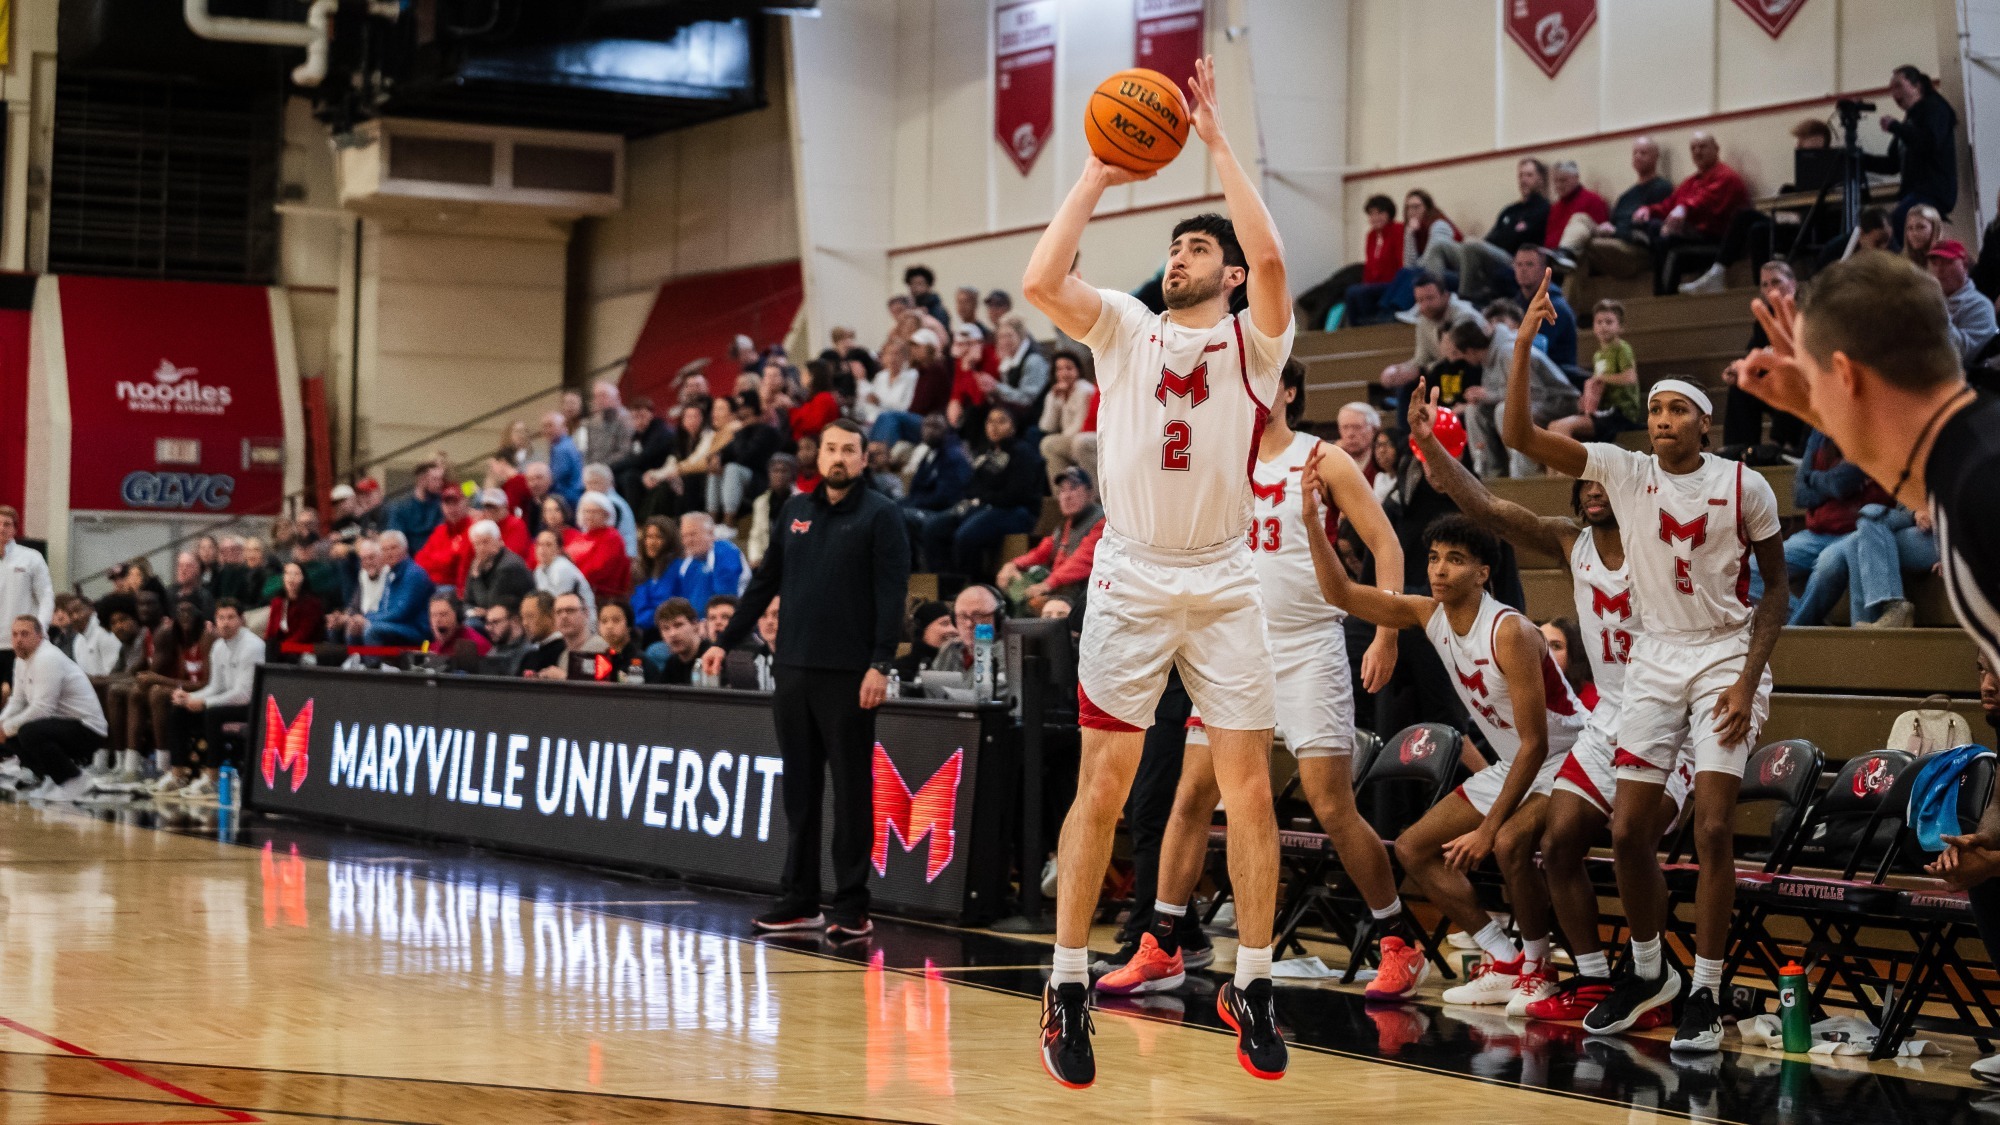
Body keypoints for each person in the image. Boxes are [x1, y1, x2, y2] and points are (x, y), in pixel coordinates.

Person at [1019, 56, 1290, 1086]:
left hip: (1222, 577)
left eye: (1194, 247)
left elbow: (1266, 259)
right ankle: (1066, 981)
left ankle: (1252, 980)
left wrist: (1217, 145)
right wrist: (1094, 172)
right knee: (1104, 783)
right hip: (1131, 576)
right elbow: (1042, 280)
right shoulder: (1123, 329)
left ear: (1219, 277)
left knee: (1247, 791)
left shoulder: (1251, 344)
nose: (1177, 256)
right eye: (1171, 246)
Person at [1505, 269, 1786, 1052]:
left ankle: (1706, 986)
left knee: (1716, 828)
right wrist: (1524, 344)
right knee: (1628, 831)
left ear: (1702, 423)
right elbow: (1523, 438)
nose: (1660, 419)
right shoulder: (1623, 472)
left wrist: (1744, 675)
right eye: (1654, 408)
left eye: (1675, 410)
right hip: (1657, 659)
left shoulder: (1746, 486)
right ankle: (1650, 969)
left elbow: (1779, 591)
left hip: (1727, 652)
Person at [1101, 358, 1418, 1002]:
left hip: (1307, 644)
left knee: (1332, 804)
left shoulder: (1322, 459)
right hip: (1232, 643)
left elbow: (1387, 547)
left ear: (1290, 391)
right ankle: (1161, 943)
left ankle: (1397, 937)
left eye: (1265, 377)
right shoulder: (1220, 455)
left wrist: (1385, 630)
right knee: (1190, 797)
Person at [1407, 379, 1692, 1021]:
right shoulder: (1571, 544)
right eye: (1582, 482)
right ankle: (1588, 978)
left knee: (1627, 835)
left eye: (1602, 480)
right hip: (1608, 721)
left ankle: (1660, 976)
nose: (1592, 488)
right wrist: (1430, 448)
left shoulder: (1662, 539)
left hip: (1671, 711)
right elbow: (1479, 503)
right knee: (1555, 842)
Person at [1300, 494, 1582, 1008]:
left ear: (1483, 573)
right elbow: (1341, 592)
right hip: (1516, 763)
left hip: (1567, 763)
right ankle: (1502, 957)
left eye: (1455, 559)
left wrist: (1487, 826)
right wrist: (1313, 526)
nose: (1439, 569)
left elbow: (1537, 743)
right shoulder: (1428, 615)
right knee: (1411, 848)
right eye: (1433, 558)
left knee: (1506, 843)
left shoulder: (1511, 631)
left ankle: (1539, 968)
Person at [699, 418, 910, 942]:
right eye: (830, 449)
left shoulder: (882, 516)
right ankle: (799, 899)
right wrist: (724, 641)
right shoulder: (794, 511)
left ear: (865, 458)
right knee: (800, 790)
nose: (838, 457)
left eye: (849, 450)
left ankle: (853, 906)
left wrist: (880, 663)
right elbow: (765, 581)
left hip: (850, 676)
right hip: (793, 670)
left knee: (852, 792)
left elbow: (891, 596)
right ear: (818, 458)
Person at [1738, 248, 2000, 668]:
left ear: (1846, 376)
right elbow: (1912, 476)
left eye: (1811, 377)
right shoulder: (1969, 447)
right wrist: (1819, 405)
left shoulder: (1984, 489)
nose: (1812, 401)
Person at [915, 405, 1043, 575]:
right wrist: (979, 499)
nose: (994, 426)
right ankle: (947, 583)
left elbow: (1016, 493)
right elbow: (971, 487)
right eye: (990, 421)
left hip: (1016, 511)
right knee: (933, 528)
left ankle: (975, 584)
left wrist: (983, 498)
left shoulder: (1023, 453)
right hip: (985, 506)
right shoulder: (985, 454)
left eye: (1001, 421)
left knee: (966, 535)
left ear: (1013, 426)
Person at [1445, 317, 1578, 479]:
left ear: (1470, 351)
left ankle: (1525, 476)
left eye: (1462, 354)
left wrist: (1488, 394)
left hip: (1558, 402)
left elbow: (1530, 392)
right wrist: (1482, 398)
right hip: (1534, 402)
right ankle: (1489, 475)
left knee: (1505, 410)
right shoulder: (1488, 357)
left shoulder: (1509, 351)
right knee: (1474, 410)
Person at [160, 600, 262, 799]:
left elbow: (244, 694)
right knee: (178, 708)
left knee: (213, 712)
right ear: (215, 620)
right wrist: (190, 697)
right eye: (221, 618)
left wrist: (205, 703)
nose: (225, 623)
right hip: (229, 701)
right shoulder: (218, 646)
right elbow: (216, 687)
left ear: (241, 620)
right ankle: (178, 774)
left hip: (252, 706)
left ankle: (212, 778)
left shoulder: (252, 646)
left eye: (231, 618)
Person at [0, 615, 108, 802]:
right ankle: (51, 778)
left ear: (40, 636)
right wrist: (1, 724)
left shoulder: (47, 658)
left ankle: (74, 779)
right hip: (60, 725)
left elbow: (43, 709)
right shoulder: (21, 660)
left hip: (88, 729)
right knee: (13, 733)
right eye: (15, 634)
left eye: (24, 634)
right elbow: (17, 701)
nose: (18, 639)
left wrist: (6, 728)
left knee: (27, 732)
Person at [1719, 261, 1809, 461]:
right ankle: (1737, 450)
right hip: (1776, 384)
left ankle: (1784, 448)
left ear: (1793, 283)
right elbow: (1753, 354)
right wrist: (1738, 370)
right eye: (1765, 284)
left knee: (1787, 376)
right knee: (1740, 385)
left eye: (1776, 282)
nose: (1770, 289)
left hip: (1805, 384)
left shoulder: (1807, 312)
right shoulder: (1764, 320)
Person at [1641, 132, 1751, 295]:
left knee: (1668, 247)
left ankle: (1664, 302)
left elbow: (1704, 202)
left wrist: (1684, 209)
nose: (1698, 152)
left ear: (1716, 149)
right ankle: (1662, 301)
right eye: (1693, 148)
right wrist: (1649, 210)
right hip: (1697, 238)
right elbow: (1670, 204)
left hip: (1718, 244)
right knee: (1655, 230)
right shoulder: (1691, 182)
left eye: (1702, 147)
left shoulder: (1727, 177)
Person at [1865, 65, 1960, 240]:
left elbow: (1929, 143)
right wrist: (1860, 160)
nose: (1894, 94)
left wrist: (1896, 127)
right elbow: (1892, 164)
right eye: (1891, 89)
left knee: (1897, 224)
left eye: (1899, 86)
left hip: (1932, 192)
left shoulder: (1935, 108)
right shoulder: (1909, 119)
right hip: (1914, 193)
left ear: (1916, 86)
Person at [997, 467, 1103, 612]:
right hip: (1058, 586)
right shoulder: (1066, 524)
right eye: (1062, 491)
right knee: (1012, 579)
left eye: (1073, 488)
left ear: (1090, 493)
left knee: (1029, 597)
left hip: (1084, 591)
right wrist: (1013, 564)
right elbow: (1042, 551)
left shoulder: (1101, 521)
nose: (1066, 496)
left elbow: (1083, 560)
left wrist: (1047, 584)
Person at [1458, 158, 1553, 303]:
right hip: (1495, 254)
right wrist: (1509, 234)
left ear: (1540, 179)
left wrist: (1507, 235)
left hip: (1514, 260)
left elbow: (1518, 240)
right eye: (1520, 175)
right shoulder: (1510, 210)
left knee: (1471, 245)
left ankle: (1464, 299)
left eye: (1529, 175)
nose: (1523, 180)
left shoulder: (1543, 208)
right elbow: (1492, 238)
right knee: (1444, 245)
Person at [1380, 273, 1486, 397]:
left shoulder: (1465, 316)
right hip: (1443, 372)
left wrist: (1420, 370)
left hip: (1472, 372)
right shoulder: (1424, 320)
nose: (1425, 306)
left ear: (1445, 296)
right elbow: (1422, 358)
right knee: (1410, 386)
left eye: (1430, 298)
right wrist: (1402, 370)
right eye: (1420, 300)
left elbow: (1454, 357)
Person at [1552, 299, 1642, 443]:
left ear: (1621, 327)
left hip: (1621, 413)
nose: (1603, 326)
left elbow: (1630, 378)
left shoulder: (1622, 348)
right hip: (1604, 411)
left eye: (1609, 322)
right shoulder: (1598, 355)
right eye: (1599, 322)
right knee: (1554, 426)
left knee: (1562, 427)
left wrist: (1600, 378)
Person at [657, 512, 745, 613]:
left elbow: (725, 598)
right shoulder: (685, 561)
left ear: (711, 534)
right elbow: (669, 597)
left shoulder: (726, 552)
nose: (688, 541)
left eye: (692, 534)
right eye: (684, 536)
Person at [358, 531, 434, 647]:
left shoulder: (414, 574)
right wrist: (362, 619)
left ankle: (373, 665)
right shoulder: (390, 573)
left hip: (417, 630)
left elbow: (402, 613)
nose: (389, 553)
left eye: (393, 548)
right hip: (398, 625)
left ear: (405, 548)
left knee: (372, 630)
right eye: (384, 549)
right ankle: (355, 662)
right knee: (353, 628)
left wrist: (368, 620)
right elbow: (383, 608)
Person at [1927, 241, 1998, 361]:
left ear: (1965, 266)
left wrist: (1935, 312)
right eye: (1935, 264)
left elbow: (1963, 354)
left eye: (1947, 262)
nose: (1939, 270)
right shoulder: (1930, 299)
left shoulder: (1980, 306)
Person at [460, 520, 535, 621]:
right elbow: (467, 601)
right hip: (492, 619)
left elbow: (489, 604)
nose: (481, 548)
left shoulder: (508, 565)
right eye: (477, 544)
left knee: (471, 624)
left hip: (515, 620)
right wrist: (471, 611)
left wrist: (477, 578)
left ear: (498, 540)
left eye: (485, 542)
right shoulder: (478, 562)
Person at [528, 592, 607, 680]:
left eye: (570, 610)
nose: (564, 616)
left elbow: (599, 688)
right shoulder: (564, 656)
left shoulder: (601, 648)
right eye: (558, 612)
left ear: (586, 613)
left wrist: (563, 677)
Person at [566, 493, 630, 601]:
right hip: (579, 590)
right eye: (586, 511)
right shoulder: (580, 537)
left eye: (595, 512)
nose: (589, 515)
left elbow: (599, 569)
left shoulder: (612, 537)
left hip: (602, 596)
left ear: (606, 514)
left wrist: (572, 579)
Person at [1545, 159, 1610, 266]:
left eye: (1563, 180)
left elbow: (1601, 237)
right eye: (1556, 181)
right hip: (1551, 260)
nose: (1559, 185)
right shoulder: (1554, 207)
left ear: (1576, 178)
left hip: (1580, 259)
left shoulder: (1593, 200)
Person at [415, 487, 477, 589]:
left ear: (465, 503)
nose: (451, 508)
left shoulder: (473, 530)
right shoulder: (440, 530)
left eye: (455, 503)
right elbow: (419, 560)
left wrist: (434, 558)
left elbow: (458, 564)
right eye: (447, 504)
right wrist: (446, 557)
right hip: (432, 586)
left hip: (458, 589)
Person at [263, 560, 325, 661]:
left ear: (303, 578)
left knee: (288, 653)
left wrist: (282, 647)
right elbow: (271, 631)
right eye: (288, 573)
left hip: (304, 648)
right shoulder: (277, 602)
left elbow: (303, 634)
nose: (291, 578)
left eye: (296, 574)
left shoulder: (312, 604)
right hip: (280, 648)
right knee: (269, 646)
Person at [642, 598, 714, 685]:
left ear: (695, 624)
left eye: (678, 625)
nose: (672, 634)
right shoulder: (672, 663)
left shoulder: (713, 656)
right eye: (666, 628)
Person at [746, 454, 797, 569]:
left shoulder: (801, 501)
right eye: (775, 471)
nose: (779, 475)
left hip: (793, 559)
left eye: (784, 471)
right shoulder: (760, 502)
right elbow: (756, 535)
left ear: (792, 475)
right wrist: (755, 558)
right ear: (769, 474)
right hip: (767, 558)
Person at [532, 529, 595, 621]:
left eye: (548, 545)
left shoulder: (562, 568)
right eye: (539, 544)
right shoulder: (539, 570)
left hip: (583, 621)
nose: (542, 549)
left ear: (559, 550)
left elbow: (560, 604)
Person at [385, 461, 447, 549]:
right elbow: (395, 539)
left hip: (436, 555)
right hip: (410, 557)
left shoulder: (442, 503)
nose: (440, 483)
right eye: (435, 479)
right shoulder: (400, 507)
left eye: (441, 479)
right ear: (421, 480)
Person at [581, 464, 639, 555]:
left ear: (609, 482)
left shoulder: (613, 504)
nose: (591, 488)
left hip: (620, 554)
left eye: (595, 483)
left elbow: (607, 537)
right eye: (588, 483)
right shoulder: (594, 501)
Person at [893, 600, 953, 688]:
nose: (953, 630)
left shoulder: (960, 668)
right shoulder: (898, 670)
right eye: (944, 624)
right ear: (923, 630)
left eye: (954, 624)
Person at [578, 378, 633, 465]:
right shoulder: (587, 423)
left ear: (616, 397)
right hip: (589, 469)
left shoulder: (627, 420)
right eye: (596, 396)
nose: (599, 400)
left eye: (603, 395)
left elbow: (624, 452)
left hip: (614, 468)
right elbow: (582, 448)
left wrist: (600, 466)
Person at [513, 592, 566, 677]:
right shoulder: (529, 657)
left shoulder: (564, 654)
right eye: (523, 617)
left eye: (530, 616)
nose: (525, 623)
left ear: (551, 616)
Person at [478, 600, 533, 677]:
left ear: (515, 621)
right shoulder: (492, 652)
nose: (488, 628)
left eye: (495, 622)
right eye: (488, 623)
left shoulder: (530, 653)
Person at [542, 412, 584, 506]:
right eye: (544, 427)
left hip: (568, 497)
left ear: (563, 427)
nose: (547, 430)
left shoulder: (561, 448)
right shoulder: (568, 443)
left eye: (550, 426)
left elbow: (557, 476)